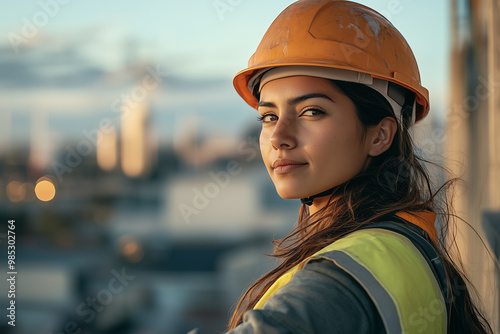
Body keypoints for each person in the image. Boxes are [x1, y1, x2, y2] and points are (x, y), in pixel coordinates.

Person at [225, 1, 494, 333]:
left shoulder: (347, 275)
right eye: (269, 116)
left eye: (312, 111)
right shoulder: (402, 243)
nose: (279, 136)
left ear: (379, 136)